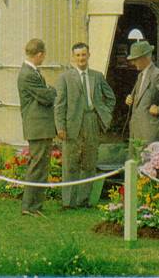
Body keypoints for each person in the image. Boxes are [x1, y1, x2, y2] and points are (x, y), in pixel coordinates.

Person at [54, 43, 116, 209]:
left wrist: (103, 113)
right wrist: (60, 127)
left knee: (89, 162)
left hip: (91, 121)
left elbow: (110, 98)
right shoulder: (65, 78)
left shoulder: (97, 76)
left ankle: (83, 200)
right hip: (72, 124)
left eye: (84, 55)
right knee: (70, 164)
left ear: (89, 55)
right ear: (73, 58)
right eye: (78, 55)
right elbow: (59, 105)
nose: (81, 58)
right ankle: (68, 202)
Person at [17, 38, 58, 217]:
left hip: (40, 126)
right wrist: (52, 91)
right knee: (37, 166)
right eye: (44, 55)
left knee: (41, 165)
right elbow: (47, 97)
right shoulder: (28, 74)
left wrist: (49, 91)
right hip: (38, 126)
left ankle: (35, 205)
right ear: (40, 54)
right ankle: (30, 206)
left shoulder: (32, 72)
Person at [124, 40, 159, 146]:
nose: (133, 63)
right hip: (136, 132)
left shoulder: (156, 74)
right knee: (135, 162)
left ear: (145, 57)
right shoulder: (141, 75)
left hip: (150, 134)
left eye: (135, 59)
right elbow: (141, 98)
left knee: (149, 162)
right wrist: (131, 99)